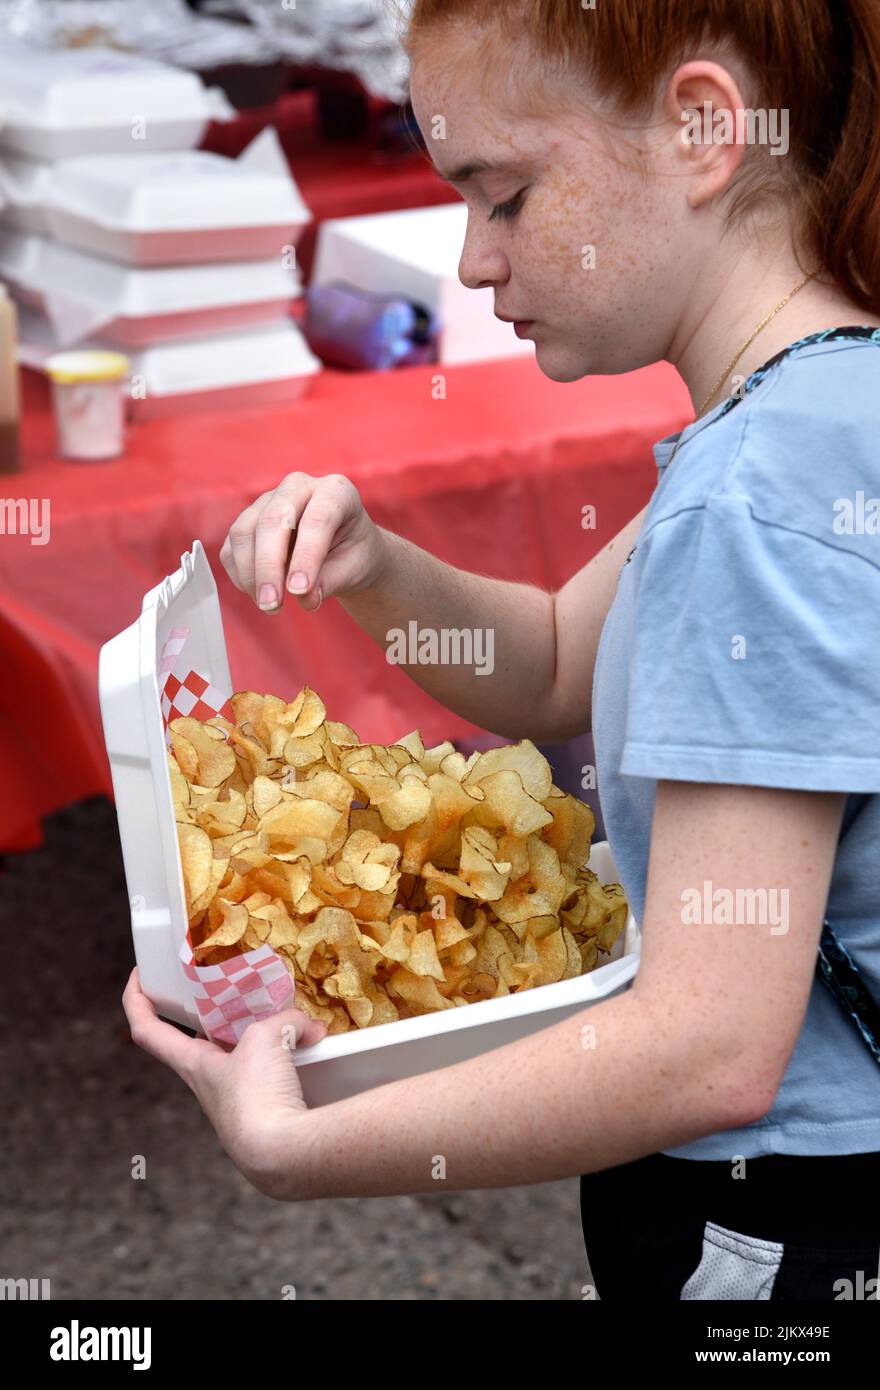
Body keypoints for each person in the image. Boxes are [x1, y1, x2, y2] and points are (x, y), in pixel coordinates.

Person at [124, 0, 880, 1300]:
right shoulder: (818, 410)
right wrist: (379, 568)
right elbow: (548, 661)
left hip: (783, 1225)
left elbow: (708, 1045)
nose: (473, 261)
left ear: (706, 131)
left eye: (507, 196)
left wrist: (305, 1145)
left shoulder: (749, 497)